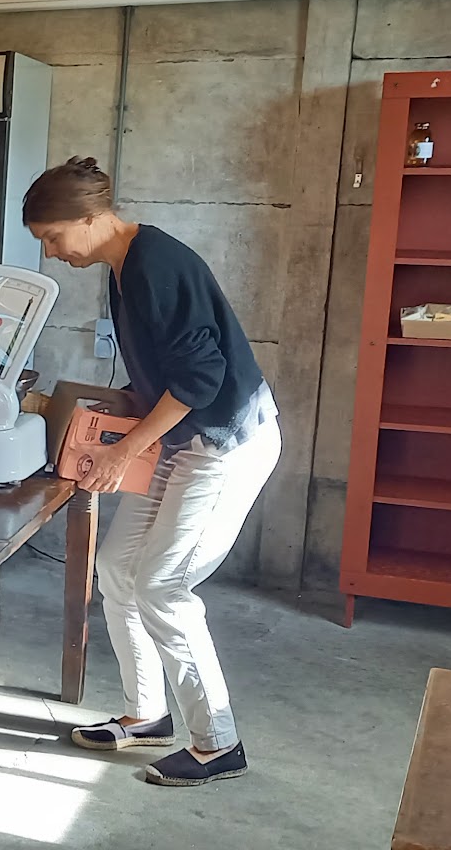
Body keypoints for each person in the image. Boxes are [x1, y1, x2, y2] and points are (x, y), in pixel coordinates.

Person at [23, 157, 280, 787]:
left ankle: (218, 743)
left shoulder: (154, 266)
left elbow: (200, 379)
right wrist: (106, 422)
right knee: (117, 568)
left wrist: (122, 452)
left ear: (90, 218)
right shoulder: (122, 268)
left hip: (223, 442)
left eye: (53, 237)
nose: (52, 253)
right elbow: (164, 374)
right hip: (183, 438)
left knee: (164, 585)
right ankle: (146, 715)